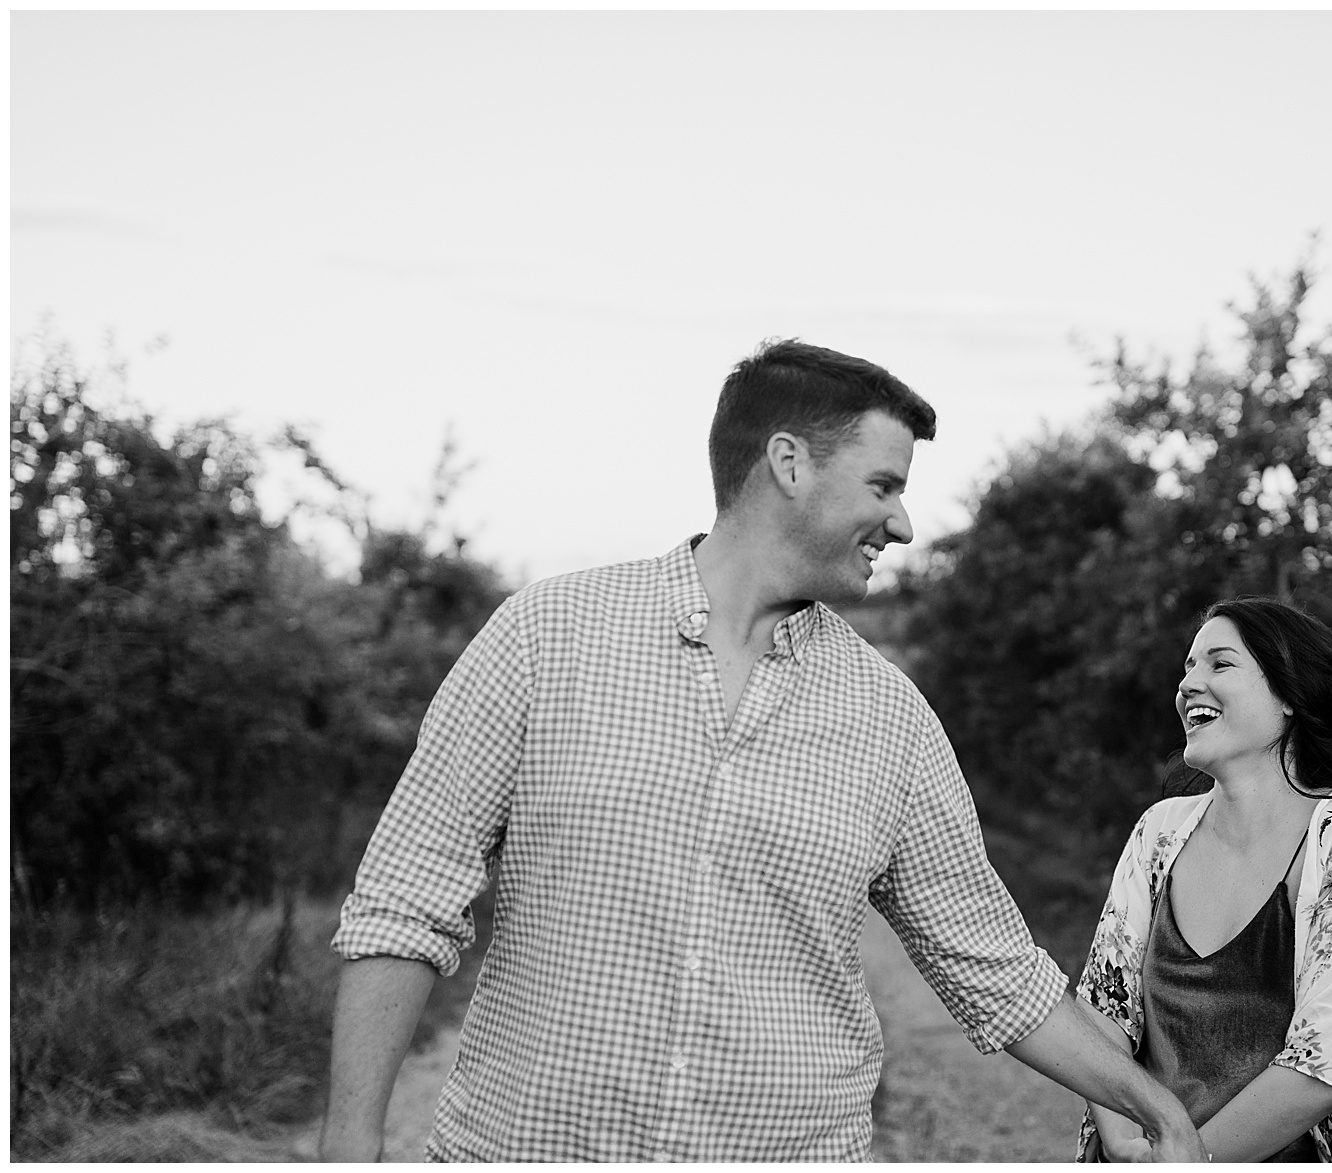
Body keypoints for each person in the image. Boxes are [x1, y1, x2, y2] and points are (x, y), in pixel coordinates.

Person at [319, 339, 1204, 1162]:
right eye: (883, 485)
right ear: (790, 463)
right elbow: (405, 901)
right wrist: (349, 1154)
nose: (901, 524)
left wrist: (1151, 1104)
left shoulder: (891, 716)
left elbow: (993, 965)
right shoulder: (545, 636)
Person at [1076, 597, 1332, 1162]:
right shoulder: (1160, 831)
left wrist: (1188, 1160)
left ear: (1288, 695)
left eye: (1219, 664)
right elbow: (1102, 1017)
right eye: (1188, 667)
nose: (1189, 684)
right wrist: (1126, 1145)